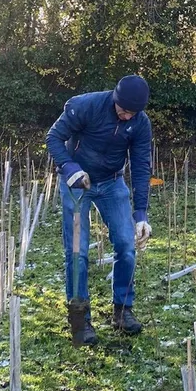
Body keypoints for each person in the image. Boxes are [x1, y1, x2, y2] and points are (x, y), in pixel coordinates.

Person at [46, 74, 153, 343]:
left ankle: (123, 310)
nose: (127, 116)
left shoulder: (140, 123)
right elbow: (53, 138)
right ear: (115, 100)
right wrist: (70, 168)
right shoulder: (86, 106)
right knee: (77, 252)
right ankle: (80, 321)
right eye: (123, 110)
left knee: (127, 245)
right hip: (77, 183)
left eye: (133, 113)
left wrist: (140, 213)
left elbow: (141, 166)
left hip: (112, 183)